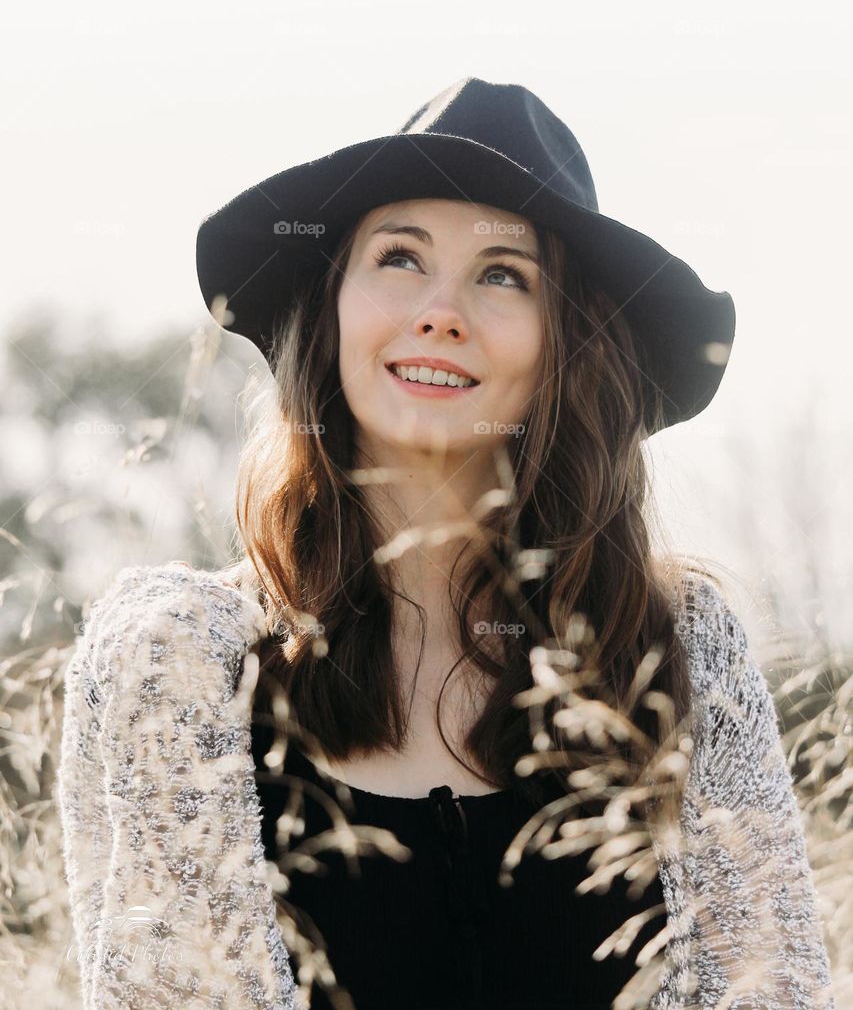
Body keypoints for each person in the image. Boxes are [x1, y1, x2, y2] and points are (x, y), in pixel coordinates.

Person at [58, 78, 836, 1009]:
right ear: (333, 306)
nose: (439, 310)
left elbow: (772, 988)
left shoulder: (678, 651)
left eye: (503, 273)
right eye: (398, 257)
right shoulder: (175, 661)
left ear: (567, 345)